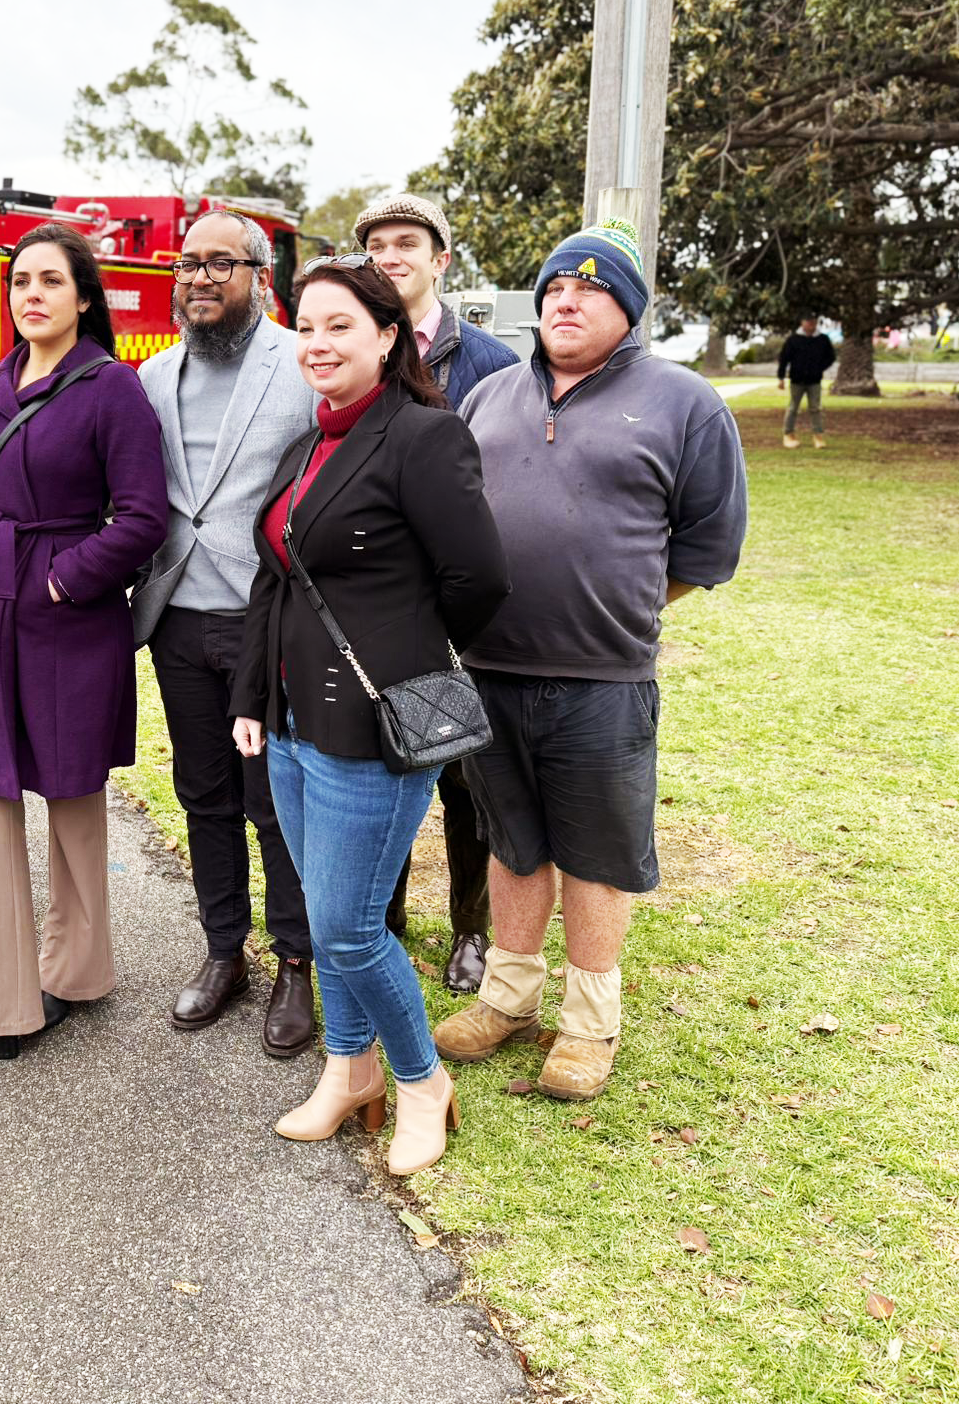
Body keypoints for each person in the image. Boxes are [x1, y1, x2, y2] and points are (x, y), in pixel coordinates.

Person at [438, 219, 748, 1101]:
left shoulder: (685, 403)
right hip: (489, 670)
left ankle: (588, 1025)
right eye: (555, 289)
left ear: (633, 310)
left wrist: (619, 603)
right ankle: (508, 1000)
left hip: (602, 680)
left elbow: (707, 548)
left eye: (593, 288)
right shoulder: (491, 395)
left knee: (598, 856)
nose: (567, 300)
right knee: (513, 843)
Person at [231, 257, 509, 1177]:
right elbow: (275, 579)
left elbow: (479, 581)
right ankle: (350, 1073)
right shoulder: (306, 442)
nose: (317, 342)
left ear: (389, 336)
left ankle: (423, 1082)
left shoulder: (425, 438)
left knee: (351, 925)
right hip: (293, 724)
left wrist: (401, 658)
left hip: (377, 731)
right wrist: (251, 701)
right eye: (306, 325)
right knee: (322, 911)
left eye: (339, 325)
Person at [0, 224, 167, 1064]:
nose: (30, 295)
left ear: (84, 296)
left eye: (51, 281)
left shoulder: (111, 389)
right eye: (19, 282)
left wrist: (63, 580)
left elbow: (144, 517)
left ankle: (78, 973)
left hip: (69, 618)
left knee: (74, 801)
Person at [130, 210, 318, 1057]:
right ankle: (222, 952)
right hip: (177, 618)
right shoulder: (152, 375)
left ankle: (296, 963)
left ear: (260, 277)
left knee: (273, 802)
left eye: (220, 264)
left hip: (267, 620)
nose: (199, 278)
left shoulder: (302, 366)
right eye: (188, 263)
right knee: (202, 794)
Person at [353, 192, 519, 991]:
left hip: (456, 600)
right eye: (377, 243)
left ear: (440, 258)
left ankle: (471, 930)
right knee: (378, 764)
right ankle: (383, 919)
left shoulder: (489, 362)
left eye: (407, 242)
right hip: (373, 602)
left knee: (462, 774)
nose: (391, 255)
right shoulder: (351, 351)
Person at [777, 315, 835, 448]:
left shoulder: (822, 339)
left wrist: (819, 367)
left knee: (816, 408)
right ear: (802, 322)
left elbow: (830, 357)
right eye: (808, 321)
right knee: (793, 407)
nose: (811, 324)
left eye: (813, 322)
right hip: (796, 380)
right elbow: (784, 359)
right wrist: (781, 378)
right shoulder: (793, 340)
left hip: (814, 380)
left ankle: (818, 436)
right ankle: (788, 434)